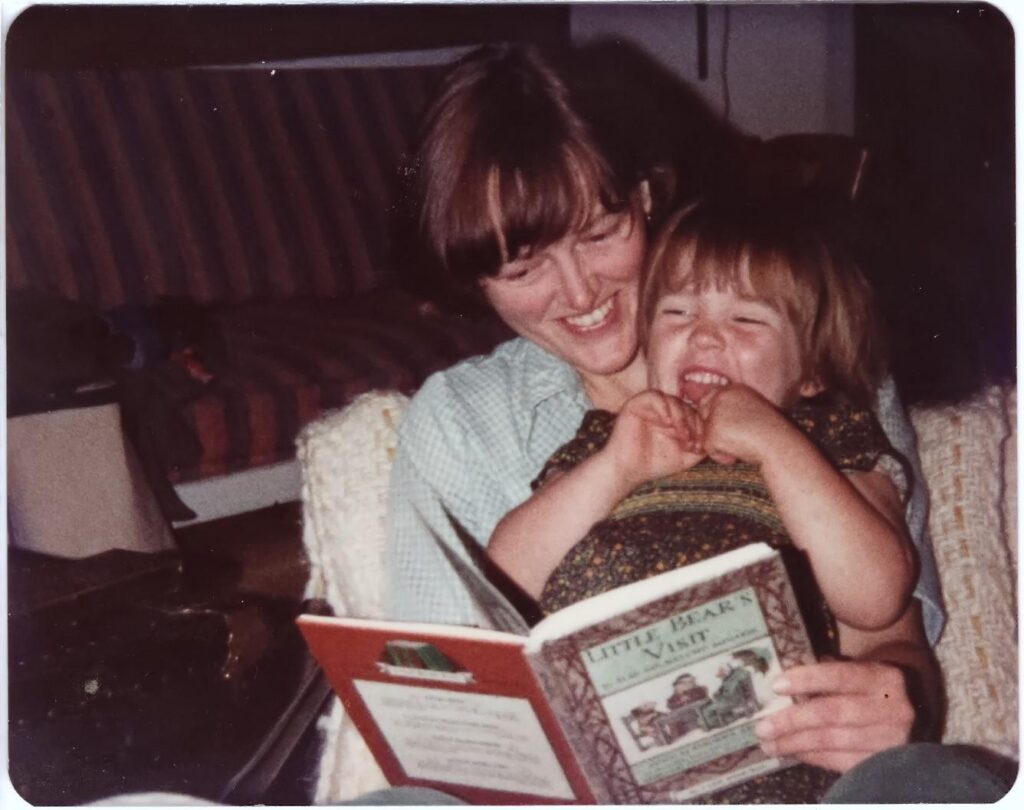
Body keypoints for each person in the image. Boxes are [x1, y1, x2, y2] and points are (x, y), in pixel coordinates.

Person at [386, 43, 1008, 801]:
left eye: (599, 232)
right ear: (477, 281)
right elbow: (449, 700)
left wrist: (896, 701)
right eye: (523, 269)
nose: (579, 291)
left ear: (645, 198)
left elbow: (888, 628)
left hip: (798, 781)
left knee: (933, 782)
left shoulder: (813, 362)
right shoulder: (461, 424)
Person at [484, 197, 918, 801]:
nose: (704, 334)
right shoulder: (608, 446)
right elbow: (499, 583)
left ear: (812, 371)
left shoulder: (832, 445)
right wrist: (615, 468)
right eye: (677, 311)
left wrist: (776, 442)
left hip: (772, 760)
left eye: (747, 321)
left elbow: (876, 597)